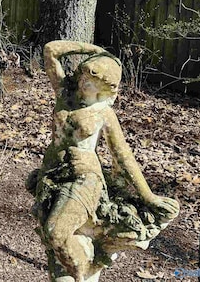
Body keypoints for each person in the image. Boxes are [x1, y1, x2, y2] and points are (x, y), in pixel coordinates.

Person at [29, 40, 179, 282]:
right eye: (85, 76)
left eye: (94, 83)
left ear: (105, 89)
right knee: (52, 240)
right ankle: (74, 268)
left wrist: (148, 196)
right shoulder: (64, 94)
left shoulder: (103, 113)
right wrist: (96, 52)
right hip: (51, 174)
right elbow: (50, 50)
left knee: (56, 233)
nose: (85, 83)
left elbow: (123, 156)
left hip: (83, 177)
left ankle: (88, 268)